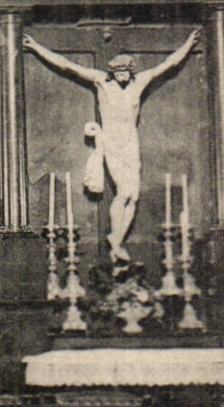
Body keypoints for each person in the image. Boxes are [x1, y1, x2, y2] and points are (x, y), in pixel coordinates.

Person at [24, 28, 200, 262]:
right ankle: (115, 241)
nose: (122, 76)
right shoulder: (101, 81)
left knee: (134, 196)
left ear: (131, 70)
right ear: (112, 72)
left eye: (125, 72)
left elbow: (168, 64)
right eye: (118, 72)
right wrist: (37, 47)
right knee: (124, 192)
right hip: (113, 143)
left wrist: (188, 43)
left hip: (131, 142)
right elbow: (67, 65)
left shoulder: (140, 82)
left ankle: (117, 239)